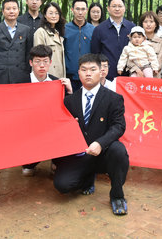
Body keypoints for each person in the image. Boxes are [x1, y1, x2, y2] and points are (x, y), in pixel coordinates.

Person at [53, 54, 129, 216]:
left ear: (101, 72)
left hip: (103, 153)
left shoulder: (114, 98)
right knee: (62, 185)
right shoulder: (69, 101)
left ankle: (117, 195)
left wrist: (101, 143)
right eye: (84, 69)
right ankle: (87, 178)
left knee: (119, 150)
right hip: (80, 155)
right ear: (78, 73)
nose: (88, 73)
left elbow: (119, 126)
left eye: (93, 69)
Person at [21, 45, 73, 176]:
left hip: (51, 126)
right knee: (27, 171)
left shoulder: (57, 83)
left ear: (50, 62)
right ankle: (29, 162)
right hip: (29, 127)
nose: (41, 65)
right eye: (37, 61)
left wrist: (70, 91)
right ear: (31, 62)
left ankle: (56, 160)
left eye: (45, 61)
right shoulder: (21, 82)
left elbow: (69, 109)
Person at [0, 0, 34, 84]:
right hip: (0, 74)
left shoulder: (26, 30)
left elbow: (29, 52)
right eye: (8, 9)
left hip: (21, 74)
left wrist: (26, 69)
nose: (11, 11)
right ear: (3, 11)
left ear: (18, 11)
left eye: (14, 8)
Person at [90, 0, 136, 81]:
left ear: (124, 8)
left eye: (120, 6)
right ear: (108, 8)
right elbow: (95, 54)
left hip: (129, 74)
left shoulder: (132, 28)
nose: (117, 9)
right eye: (114, 6)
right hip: (107, 76)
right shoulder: (99, 29)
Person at [64, 0, 95, 90]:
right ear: (72, 10)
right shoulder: (64, 29)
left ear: (87, 10)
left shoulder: (93, 30)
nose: (80, 12)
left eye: (83, 9)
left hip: (89, 75)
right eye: (77, 9)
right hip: (69, 75)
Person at [34, 2, 66, 78]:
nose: (54, 16)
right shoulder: (41, 32)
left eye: (56, 13)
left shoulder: (58, 33)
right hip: (47, 76)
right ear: (45, 15)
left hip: (60, 75)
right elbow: (38, 57)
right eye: (51, 13)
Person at [139, 11, 162, 76]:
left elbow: (159, 62)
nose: (148, 24)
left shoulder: (161, 42)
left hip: (155, 77)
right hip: (137, 76)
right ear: (142, 24)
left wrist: (148, 72)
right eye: (145, 22)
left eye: (151, 22)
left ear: (156, 24)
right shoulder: (135, 40)